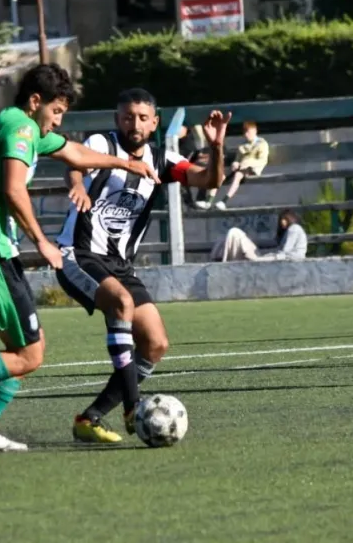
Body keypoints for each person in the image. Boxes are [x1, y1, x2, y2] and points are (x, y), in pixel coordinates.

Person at [0, 64, 161, 454]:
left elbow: (74, 152)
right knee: (29, 354)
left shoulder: (23, 126)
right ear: (36, 101)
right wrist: (42, 241)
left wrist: (126, 163)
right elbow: (13, 189)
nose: (57, 121)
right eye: (56, 111)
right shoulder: (20, 128)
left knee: (25, 349)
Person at [55, 88, 231, 443]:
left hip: (120, 265)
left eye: (142, 118)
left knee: (155, 344)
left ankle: (89, 418)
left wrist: (216, 147)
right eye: (127, 116)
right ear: (117, 119)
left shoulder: (162, 160)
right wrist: (79, 187)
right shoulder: (102, 144)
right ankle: (133, 407)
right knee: (122, 304)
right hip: (79, 255)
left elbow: (209, 180)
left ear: (154, 123)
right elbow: (76, 165)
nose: (133, 124)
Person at [197, 120, 268, 210]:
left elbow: (262, 160)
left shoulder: (261, 144)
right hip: (240, 166)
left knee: (238, 175)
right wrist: (235, 163)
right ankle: (208, 201)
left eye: (248, 132)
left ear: (255, 131)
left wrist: (247, 164)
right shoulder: (243, 145)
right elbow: (238, 158)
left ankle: (224, 201)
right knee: (220, 175)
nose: (246, 135)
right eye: (245, 132)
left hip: (252, 168)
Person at [210, 210, 307, 262]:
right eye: (281, 219)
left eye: (285, 219)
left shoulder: (294, 228)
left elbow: (286, 251)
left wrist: (271, 256)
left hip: (291, 257)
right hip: (286, 256)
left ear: (290, 219)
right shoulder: (289, 230)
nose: (282, 222)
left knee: (257, 259)